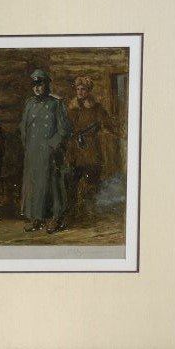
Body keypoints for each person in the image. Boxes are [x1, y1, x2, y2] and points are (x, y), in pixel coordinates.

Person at [20, 69, 72, 233]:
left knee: (52, 185)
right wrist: (27, 146)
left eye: (40, 84)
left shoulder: (56, 104)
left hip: (50, 152)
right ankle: (36, 217)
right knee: (33, 185)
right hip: (32, 151)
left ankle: (55, 218)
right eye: (34, 85)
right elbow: (23, 127)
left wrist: (53, 145)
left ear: (47, 85)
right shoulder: (29, 103)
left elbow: (64, 130)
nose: (36, 88)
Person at [67, 75, 117, 212]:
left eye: (83, 89)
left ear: (89, 91)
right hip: (75, 149)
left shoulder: (97, 108)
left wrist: (102, 130)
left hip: (91, 149)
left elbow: (107, 124)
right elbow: (66, 126)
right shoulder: (71, 108)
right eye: (78, 89)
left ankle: (89, 211)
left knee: (92, 181)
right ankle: (74, 211)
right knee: (72, 181)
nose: (80, 92)